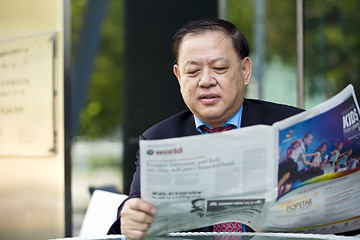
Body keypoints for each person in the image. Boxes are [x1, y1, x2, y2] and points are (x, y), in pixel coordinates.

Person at [108, 18, 303, 239]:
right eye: (193, 72)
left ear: (245, 70)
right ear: (179, 77)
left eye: (219, 68)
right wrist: (130, 217)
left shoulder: (292, 126)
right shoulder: (158, 139)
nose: (206, 81)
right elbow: (137, 206)